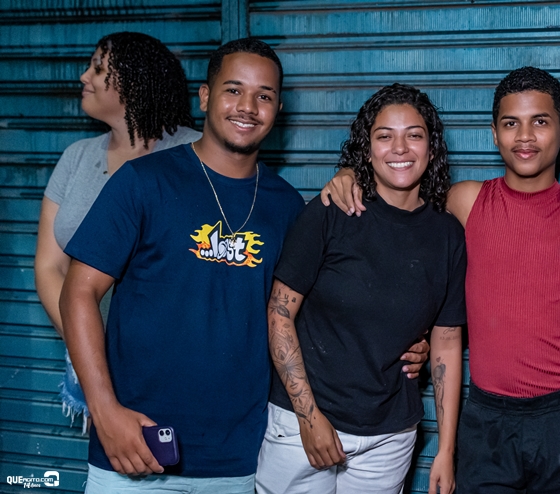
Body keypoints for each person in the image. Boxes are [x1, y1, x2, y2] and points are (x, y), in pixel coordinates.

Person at [58, 38, 427, 494]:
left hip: (240, 459)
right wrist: (104, 411)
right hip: (135, 448)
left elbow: (322, 313)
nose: (248, 107)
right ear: (205, 96)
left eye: (264, 95)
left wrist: (409, 342)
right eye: (233, 90)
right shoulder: (143, 181)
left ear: (278, 109)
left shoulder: (288, 207)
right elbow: (78, 291)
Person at [321, 67, 560, 493]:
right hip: (487, 422)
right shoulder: (466, 200)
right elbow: (399, 197)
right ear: (494, 135)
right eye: (510, 123)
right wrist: (352, 173)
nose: (525, 136)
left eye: (540, 122)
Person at [255, 83, 465, 494]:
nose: (400, 148)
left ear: (432, 148)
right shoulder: (331, 213)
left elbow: (447, 342)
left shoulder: (448, 236)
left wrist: (446, 449)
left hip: (389, 438)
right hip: (301, 427)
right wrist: (308, 418)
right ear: (367, 150)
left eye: (414, 135)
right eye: (385, 136)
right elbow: (279, 314)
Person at [34, 31, 199, 431]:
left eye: (97, 68)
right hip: (92, 365)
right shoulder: (76, 157)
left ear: (133, 80)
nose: (83, 76)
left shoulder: (195, 152)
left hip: (171, 364)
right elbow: (49, 265)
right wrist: (89, 345)